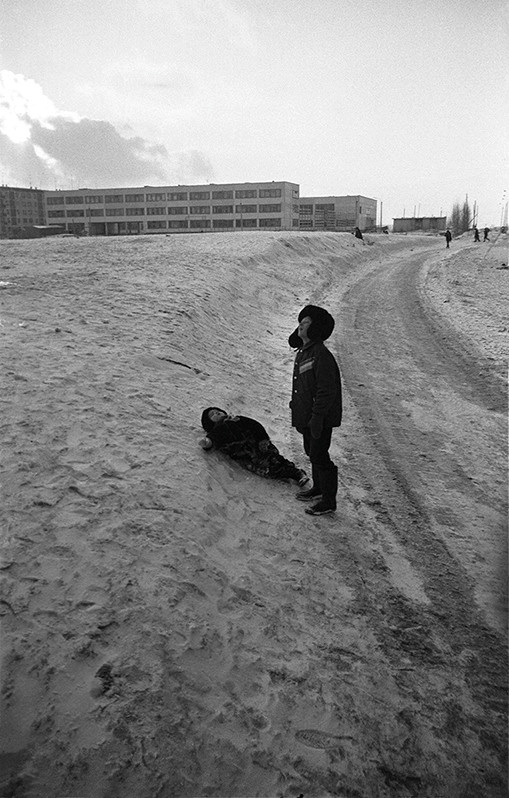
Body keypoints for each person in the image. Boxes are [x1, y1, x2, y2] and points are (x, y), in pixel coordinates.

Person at [288, 305, 342, 516]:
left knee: (320, 455)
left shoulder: (321, 355)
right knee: (312, 452)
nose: (301, 324)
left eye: (307, 322)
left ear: (315, 329)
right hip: (308, 416)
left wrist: (318, 416)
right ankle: (319, 489)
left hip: (320, 417)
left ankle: (329, 501)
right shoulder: (304, 352)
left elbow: (326, 390)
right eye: (301, 321)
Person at [200, 407, 308, 485]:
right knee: (266, 470)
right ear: (209, 423)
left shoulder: (237, 420)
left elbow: (255, 425)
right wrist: (207, 442)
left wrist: (263, 439)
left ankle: (297, 473)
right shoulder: (218, 430)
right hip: (245, 455)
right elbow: (213, 439)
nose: (217, 413)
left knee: (273, 459)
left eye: (218, 411)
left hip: (258, 445)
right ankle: (284, 473)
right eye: (212, 415)